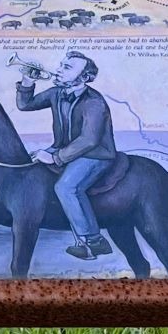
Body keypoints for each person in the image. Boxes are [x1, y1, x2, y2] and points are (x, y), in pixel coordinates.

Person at [16, 50, 118, 259]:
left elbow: (89, 140)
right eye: (61, 65)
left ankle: (93, 240)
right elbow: (24, 105)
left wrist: (55, 157)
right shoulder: (56, 93)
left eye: (67, 68)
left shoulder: (94, 102)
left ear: (84, 78)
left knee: (67, 187)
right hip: (63, 148)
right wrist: (27, 80)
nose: (58, 70)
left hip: (95, 154)